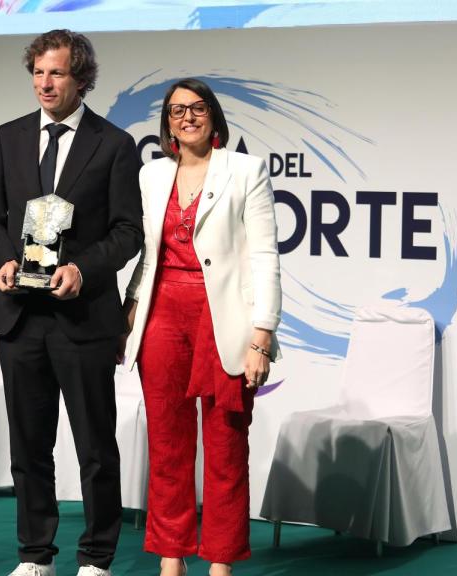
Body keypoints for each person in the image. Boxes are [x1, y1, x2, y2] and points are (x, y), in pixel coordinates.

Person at [0, 30, 143, 576]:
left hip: (83, 317)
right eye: (38, 73)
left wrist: (83, 269)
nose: (45, 83)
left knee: (95, 447)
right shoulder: (7, 137)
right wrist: (1, 259)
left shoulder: (114, 144)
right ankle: (35, 555)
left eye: (57, 74)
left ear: (82, 79)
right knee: (29, 447)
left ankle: (96, 557)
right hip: (21, 316)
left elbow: (126, 232)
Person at [120, 78, 281, 576]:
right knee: (167, 446)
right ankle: (173, 555)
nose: (186, 117)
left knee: (227, 445)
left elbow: (264, 257)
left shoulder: (245, 170)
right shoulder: (151, 175)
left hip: (225, 322)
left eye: (196, 108)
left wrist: (262, 335)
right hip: (162, 316)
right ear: (165, 124)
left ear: (213, 115)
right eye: (174, 111)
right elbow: (148, 254)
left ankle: (220, 561)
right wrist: (130, 308)